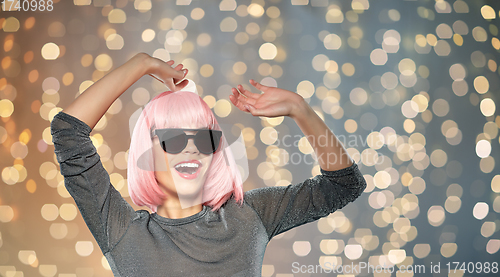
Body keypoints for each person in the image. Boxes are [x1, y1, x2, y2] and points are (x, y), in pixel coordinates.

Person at [51, 53, 366, 276]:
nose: (191, 150)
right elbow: (68, 132)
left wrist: (300, 109)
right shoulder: (121, 231)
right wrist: (141, 64)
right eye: (174, 141)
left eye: (204, 140)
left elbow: (343, 185)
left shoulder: (249, 215)